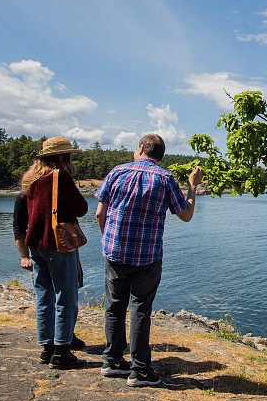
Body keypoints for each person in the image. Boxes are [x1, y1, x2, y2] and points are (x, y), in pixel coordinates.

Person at [95, 133, 202, 387]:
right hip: (147, 257)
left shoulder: (117, 173)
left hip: (115, 253)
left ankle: (112, 361)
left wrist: (111, 241)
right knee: (140, 310)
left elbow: (100, 213)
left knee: (115, 307)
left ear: (141, 148)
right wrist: (193, 186)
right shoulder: (165, 179)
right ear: (160, 154)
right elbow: (185, 215)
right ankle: (140, 371)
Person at [20, 136, 88, 370]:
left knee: (44, 295)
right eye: (68, 155)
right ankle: (62, 351)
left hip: (36, 245)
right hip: (57, 244)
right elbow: (81, 208)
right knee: (65, 295)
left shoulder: (32, 180)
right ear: (61, 157)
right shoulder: (61, 177)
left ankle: (46, 348)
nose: (70, 159)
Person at [13, 192, 86, 351]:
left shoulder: (44, 191)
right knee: (65, 295)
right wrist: (24, 256)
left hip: (44, 248)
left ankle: (58, 339)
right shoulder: (26, 195)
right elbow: (18, 226)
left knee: (51, 295)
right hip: (57, 248)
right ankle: (60, 344)